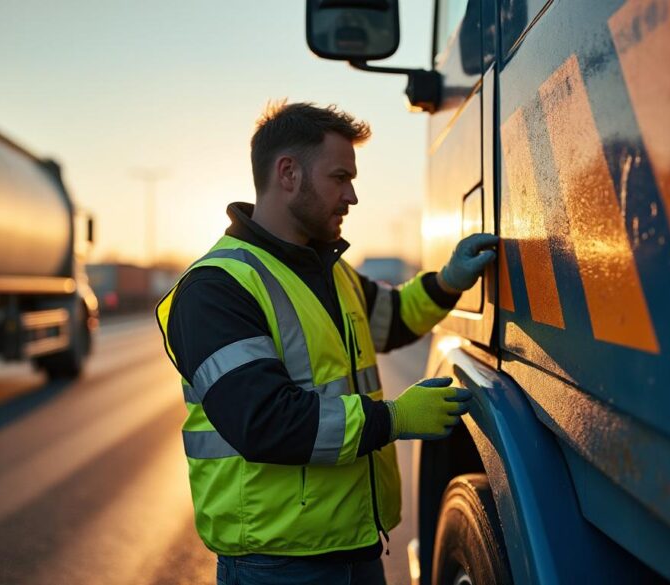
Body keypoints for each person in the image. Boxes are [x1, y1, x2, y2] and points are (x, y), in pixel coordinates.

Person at [155, 101, 498, 585]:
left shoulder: (330, 270)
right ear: (288, 173)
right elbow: (265, 422)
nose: (352, 196)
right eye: (340, 177)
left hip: (355, 546)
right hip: (275, 564)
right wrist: (395, 419)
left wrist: (447, 281)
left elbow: (392, 318)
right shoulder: (217, 287)